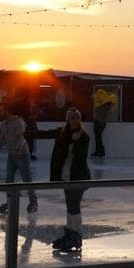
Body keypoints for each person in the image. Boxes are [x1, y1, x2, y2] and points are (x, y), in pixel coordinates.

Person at [34, 108, 90, 252]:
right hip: (65, 175)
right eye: (72, 118)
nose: (74, 121)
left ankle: (77, 235)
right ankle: (71, 233)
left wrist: (77, 142)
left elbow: (81, 159)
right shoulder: (62, 132)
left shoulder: (84, 137)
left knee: (74, 206)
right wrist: (24, 135)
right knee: (70, 206)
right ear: (68, 119)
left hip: (78, 177)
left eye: (77, 118)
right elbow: (46, 134)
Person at [0, 99, 38, 214]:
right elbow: (1, 140)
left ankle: (33, 202)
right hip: (12, 155)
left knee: (26, 178)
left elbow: (21, 137)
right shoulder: (4, 125)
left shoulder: (18, 122)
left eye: (1, 111)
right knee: (9, 179)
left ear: (7, 111)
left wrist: (18, 149)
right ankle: (10, 201)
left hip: (22, 155)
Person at [92, 93, 113, 158]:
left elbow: (104, 114)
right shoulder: (100, 106)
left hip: (100, 123)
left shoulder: (105, 107)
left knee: (98, 138)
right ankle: (98, 152)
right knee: (97, 138)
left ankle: (101, 152)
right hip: (97, 122)